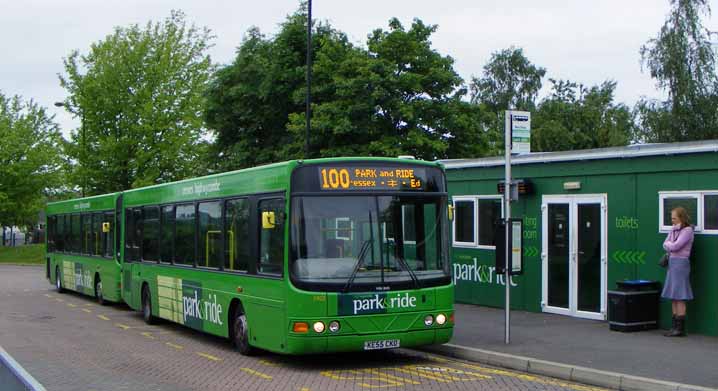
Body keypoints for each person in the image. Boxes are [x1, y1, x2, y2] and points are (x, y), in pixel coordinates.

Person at [661, 207, 695, 337]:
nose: (672, 220)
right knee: (673, 296)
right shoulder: (674, 229)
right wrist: (670, 245)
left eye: (674, 218)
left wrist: (670, 245)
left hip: (681, 264)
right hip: (672, 263)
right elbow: (665, 243)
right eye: (672, 218)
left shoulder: (687, 231)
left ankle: (680, 329)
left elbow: (675, 246)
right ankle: (674, 327)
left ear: (681, 217)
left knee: (680, 296)